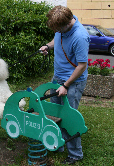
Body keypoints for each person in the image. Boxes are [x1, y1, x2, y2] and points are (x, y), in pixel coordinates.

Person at [39, 5, 90, 165]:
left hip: (72, 82)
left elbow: (82, 65)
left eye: (59, 29)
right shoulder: (61, 26)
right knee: (56, 113)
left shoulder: (80, 36)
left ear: (67, 23)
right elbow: (57, 39)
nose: (58, 31)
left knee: (68, 117)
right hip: (58, 77)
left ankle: (75, 154)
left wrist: (66, 86)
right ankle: (58, 144)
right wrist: (48, 46)